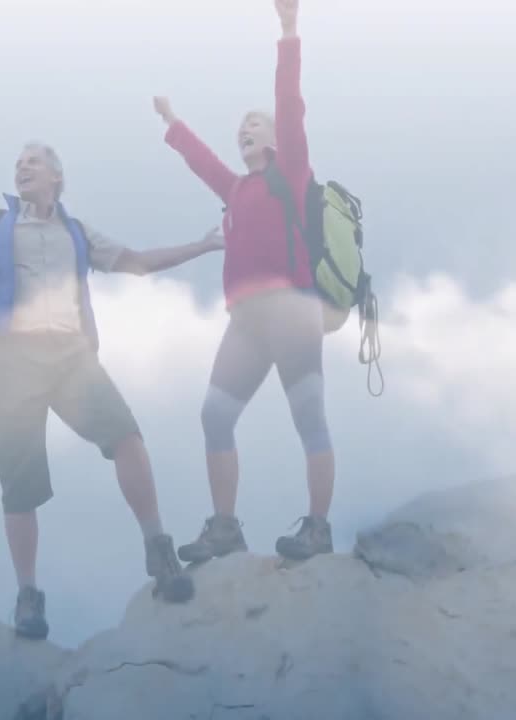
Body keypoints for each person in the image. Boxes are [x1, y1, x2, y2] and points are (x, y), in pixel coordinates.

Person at [0, 141, 221, 639]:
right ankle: (28, 596)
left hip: (70, 358)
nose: (21, 168)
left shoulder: (77, 232)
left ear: (57, 178)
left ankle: (158, 550)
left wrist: (203, 245)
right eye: (17, 163)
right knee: (20, 486)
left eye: (32, 163)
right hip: (13, 361)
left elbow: (138, 262)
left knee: (127, 436)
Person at [153, 0, 337, 564]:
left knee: (308, 419)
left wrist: (288, 32)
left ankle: (318, 528)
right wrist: (174, 125)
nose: (244, 132)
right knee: (214, 416)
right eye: (240, 130)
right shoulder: (236, 189)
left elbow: (289, 105)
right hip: (248, 322)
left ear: (276, 139)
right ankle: (226, 528)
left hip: (291, 310)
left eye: (253, 125)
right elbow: (205, 163)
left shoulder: (291, 171)